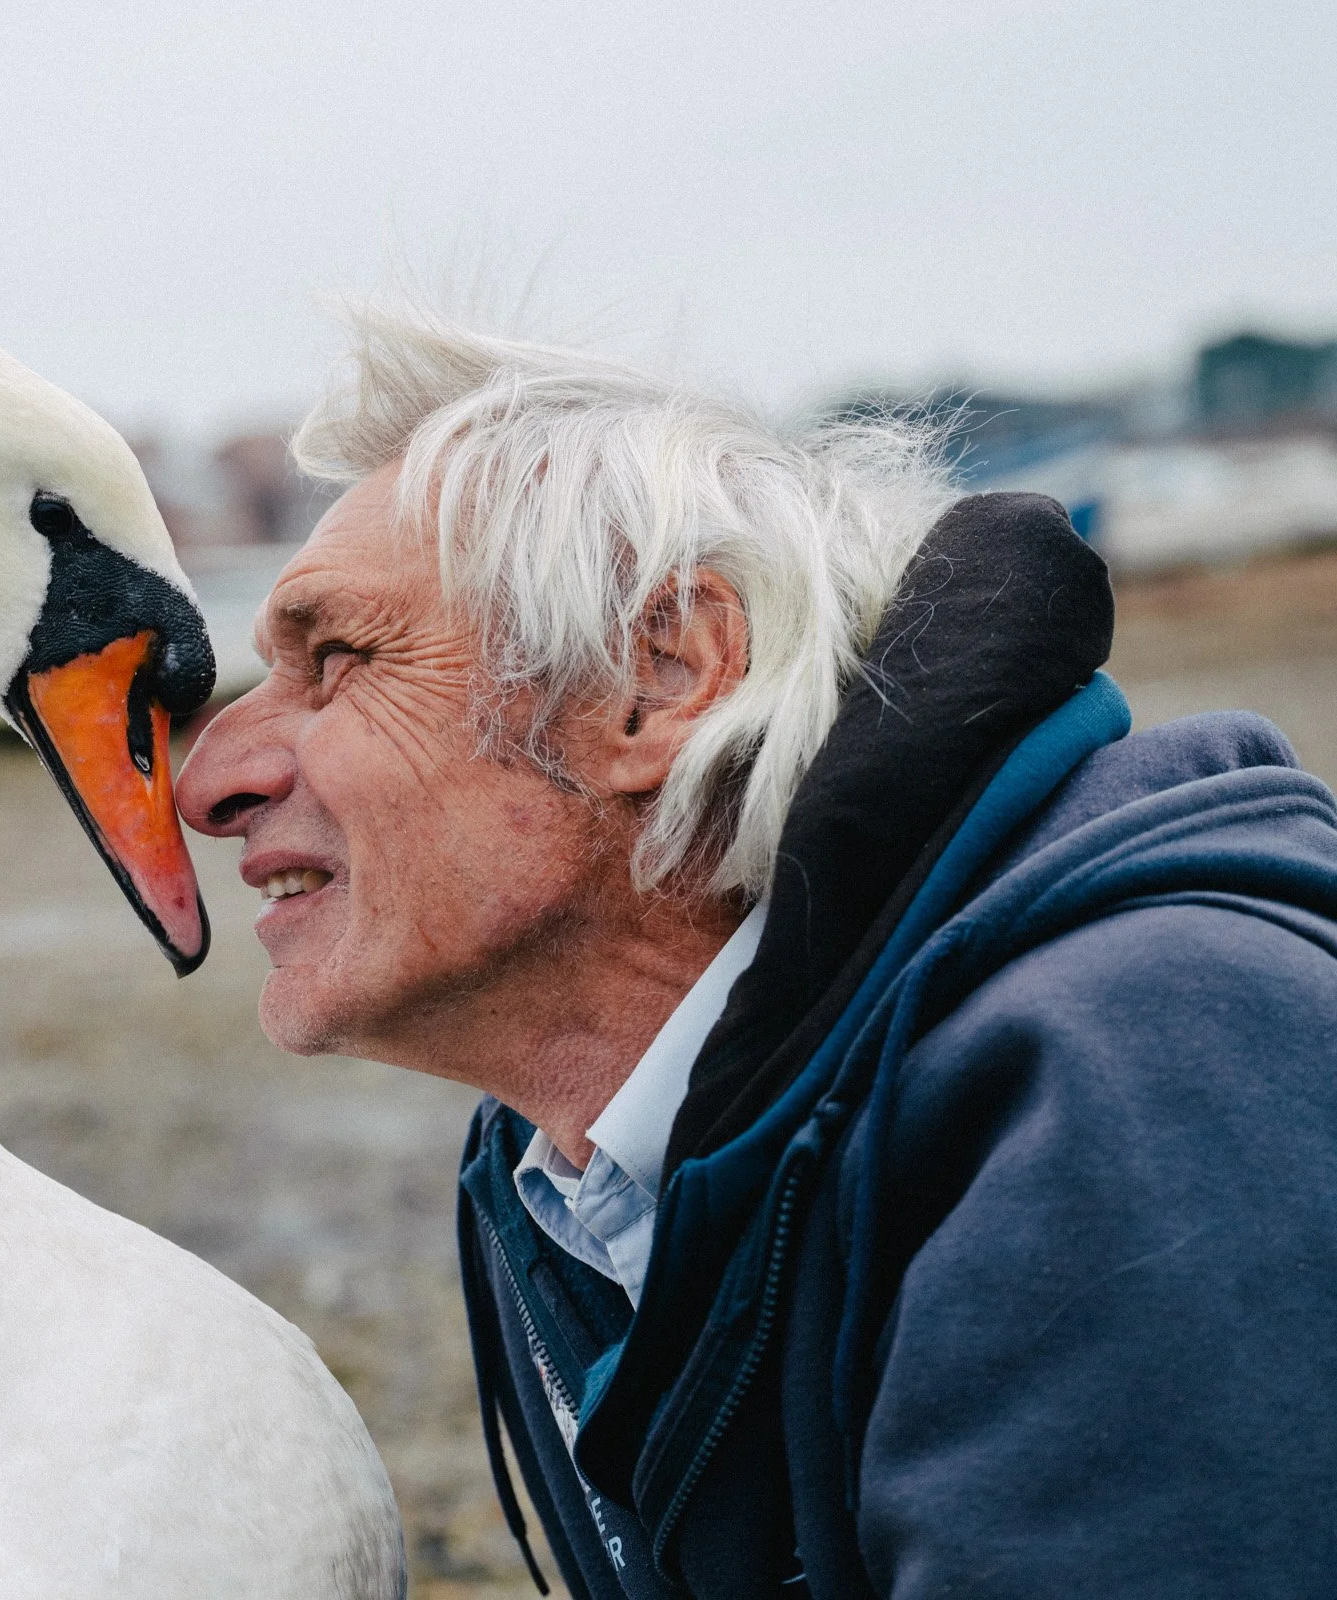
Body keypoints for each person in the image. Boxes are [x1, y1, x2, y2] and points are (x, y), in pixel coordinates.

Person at [172, 306, 1337, 1599]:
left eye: (336, 661)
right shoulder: (565, 1171)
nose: (209, 780)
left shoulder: (1148, 1071)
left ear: (663, 677)